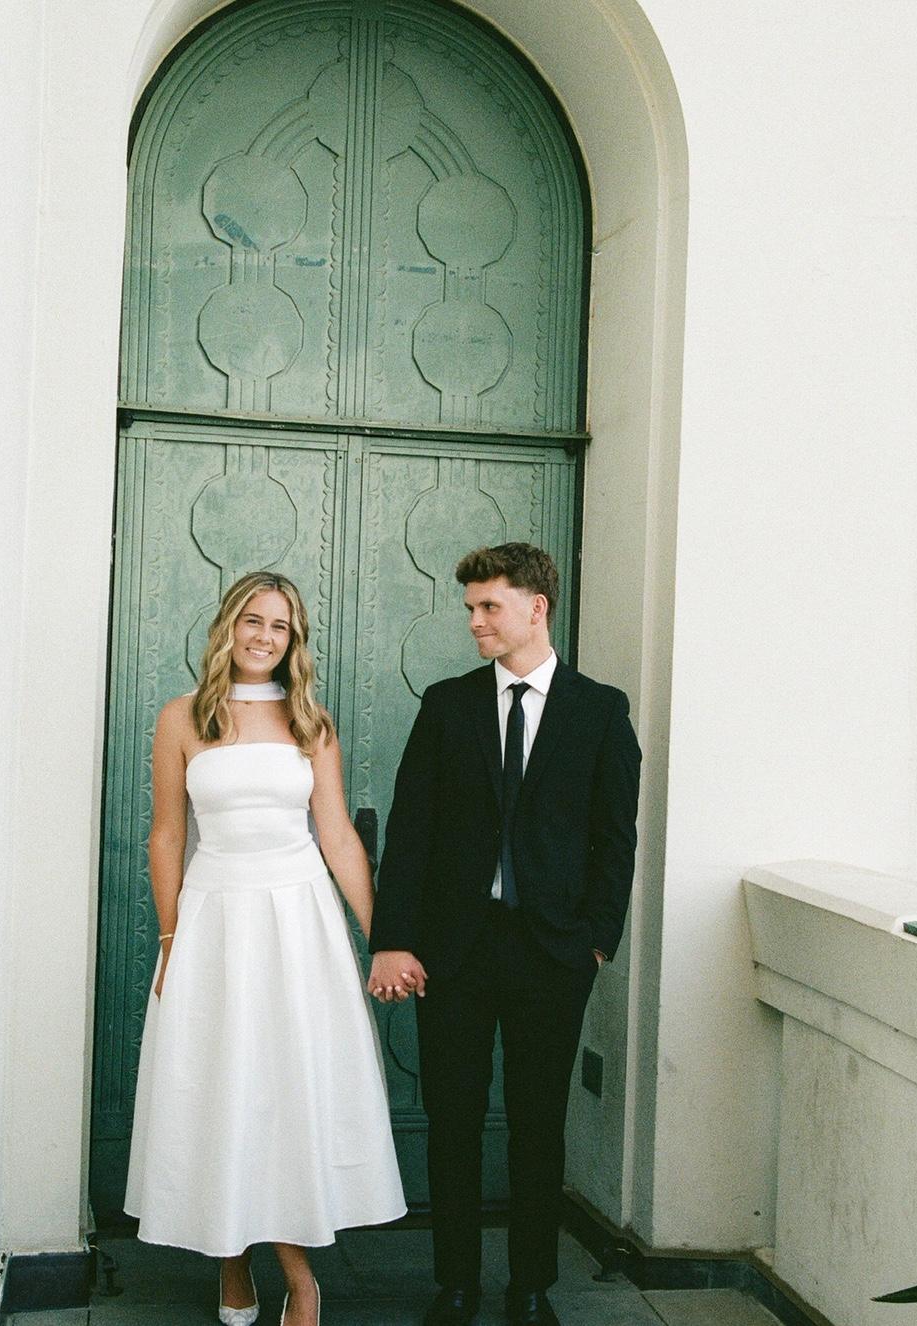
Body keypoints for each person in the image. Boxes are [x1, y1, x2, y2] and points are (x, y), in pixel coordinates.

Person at [367, 543, 641, 1326]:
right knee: (453, 1121)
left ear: (536, 607)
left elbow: (614, 838)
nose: (475, 622)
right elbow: (411, 831)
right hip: (453, 949)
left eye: (489, 606)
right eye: (471, 608)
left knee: (537, 1123)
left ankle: (530, 1288)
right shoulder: (447, 705)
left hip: (553, 952)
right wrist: (394, 938)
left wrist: (596, 940)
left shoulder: (599, 710)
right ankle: (455, 1284)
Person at [125, 571, 406, 1326]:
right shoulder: (183, 717)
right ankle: (230, 1257)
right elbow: (166, 836)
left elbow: (337, 836)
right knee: (221, 1085)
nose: (264, 636)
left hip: (298, 922)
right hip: (214, 921)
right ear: (229, 625)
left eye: (280, 626)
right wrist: (172, 941)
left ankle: (301, 1280)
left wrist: (383, 939)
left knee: (285, 1090)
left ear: (293, 641)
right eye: (253, 620)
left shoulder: (311, 722)